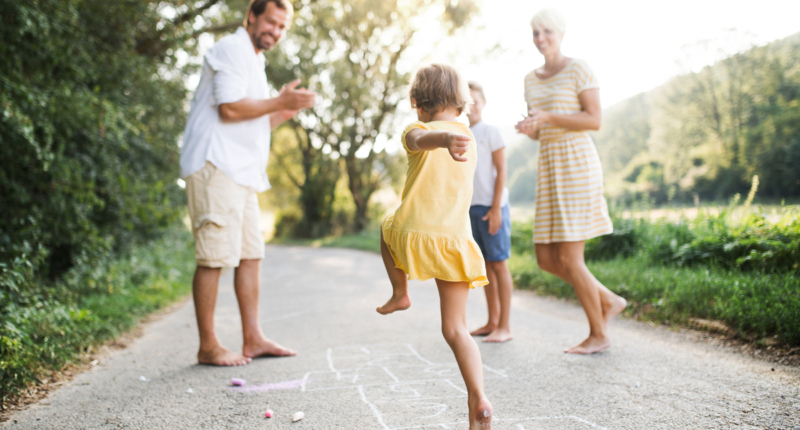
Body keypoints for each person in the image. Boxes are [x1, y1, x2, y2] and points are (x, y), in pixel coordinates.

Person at [179, 0, 316, 366]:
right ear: (252, 16)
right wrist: (277, 100)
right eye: (271, 21)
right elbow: (230, 108)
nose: (276, 30)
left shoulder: (256, 61)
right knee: (214, 257)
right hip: (215, 165)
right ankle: (208, 346)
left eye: (282, 27)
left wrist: (282, 110)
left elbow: (252, 119)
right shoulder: (231, 49)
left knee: (250, 255)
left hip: (242, 173)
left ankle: (252, 338)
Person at [376, 64, 493, 429]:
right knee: (456, 328)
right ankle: (479, 397)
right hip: (456, 242)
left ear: (416, 102)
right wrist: (448, 138)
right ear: (461, 104)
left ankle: (400, 291)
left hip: (414, 233)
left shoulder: (419, 129)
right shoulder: (468, 137)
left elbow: (417, 141)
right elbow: (429, 141)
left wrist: (438, 138)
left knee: (385, 226)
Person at [515, 8, 627, 355]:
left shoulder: (579, 68)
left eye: (546, 31)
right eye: (535, 33)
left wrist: (548, 116)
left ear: (560, 33)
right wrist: (533, 128)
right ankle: (608, 300)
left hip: (577, 164)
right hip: (548, 166)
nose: (540, 38)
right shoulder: (529, 80)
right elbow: (540, 132)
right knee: (546, 259)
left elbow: (594, 119)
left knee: (569, 256)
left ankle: (599, 333)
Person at [466, 82, 514, 343]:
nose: (471, 106)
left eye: (475, 100)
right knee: (485, 267)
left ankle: (505, 326)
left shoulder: (490, 132)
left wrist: (496, 208)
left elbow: (501, 171)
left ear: (483, 103)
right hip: (472, 208)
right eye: (466, 101)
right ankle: (492, 321)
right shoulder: (460, 134)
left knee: (499, 264)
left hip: (492, 207)